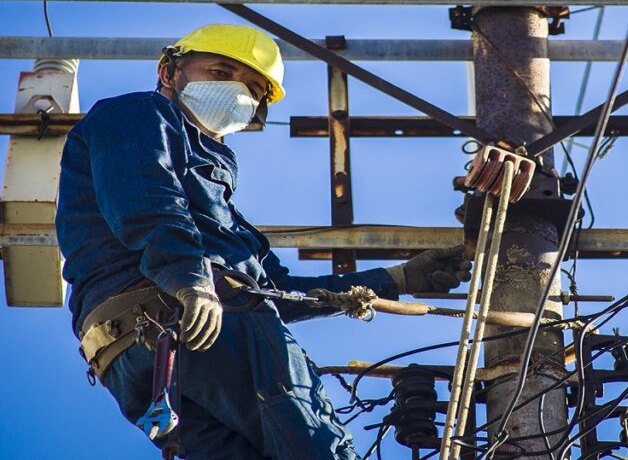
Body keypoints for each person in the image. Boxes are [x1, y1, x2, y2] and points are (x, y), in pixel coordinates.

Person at [56, 24, 471, 460]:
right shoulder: (138, 115)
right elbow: (146, 201)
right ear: (168, 71)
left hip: (131, 351)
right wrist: (191, 282)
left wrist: (395, 278)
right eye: (220, 73)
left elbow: (278, 295)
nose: (236, 93)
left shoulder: (223, 216)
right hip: (190, 322)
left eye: (253, 89)